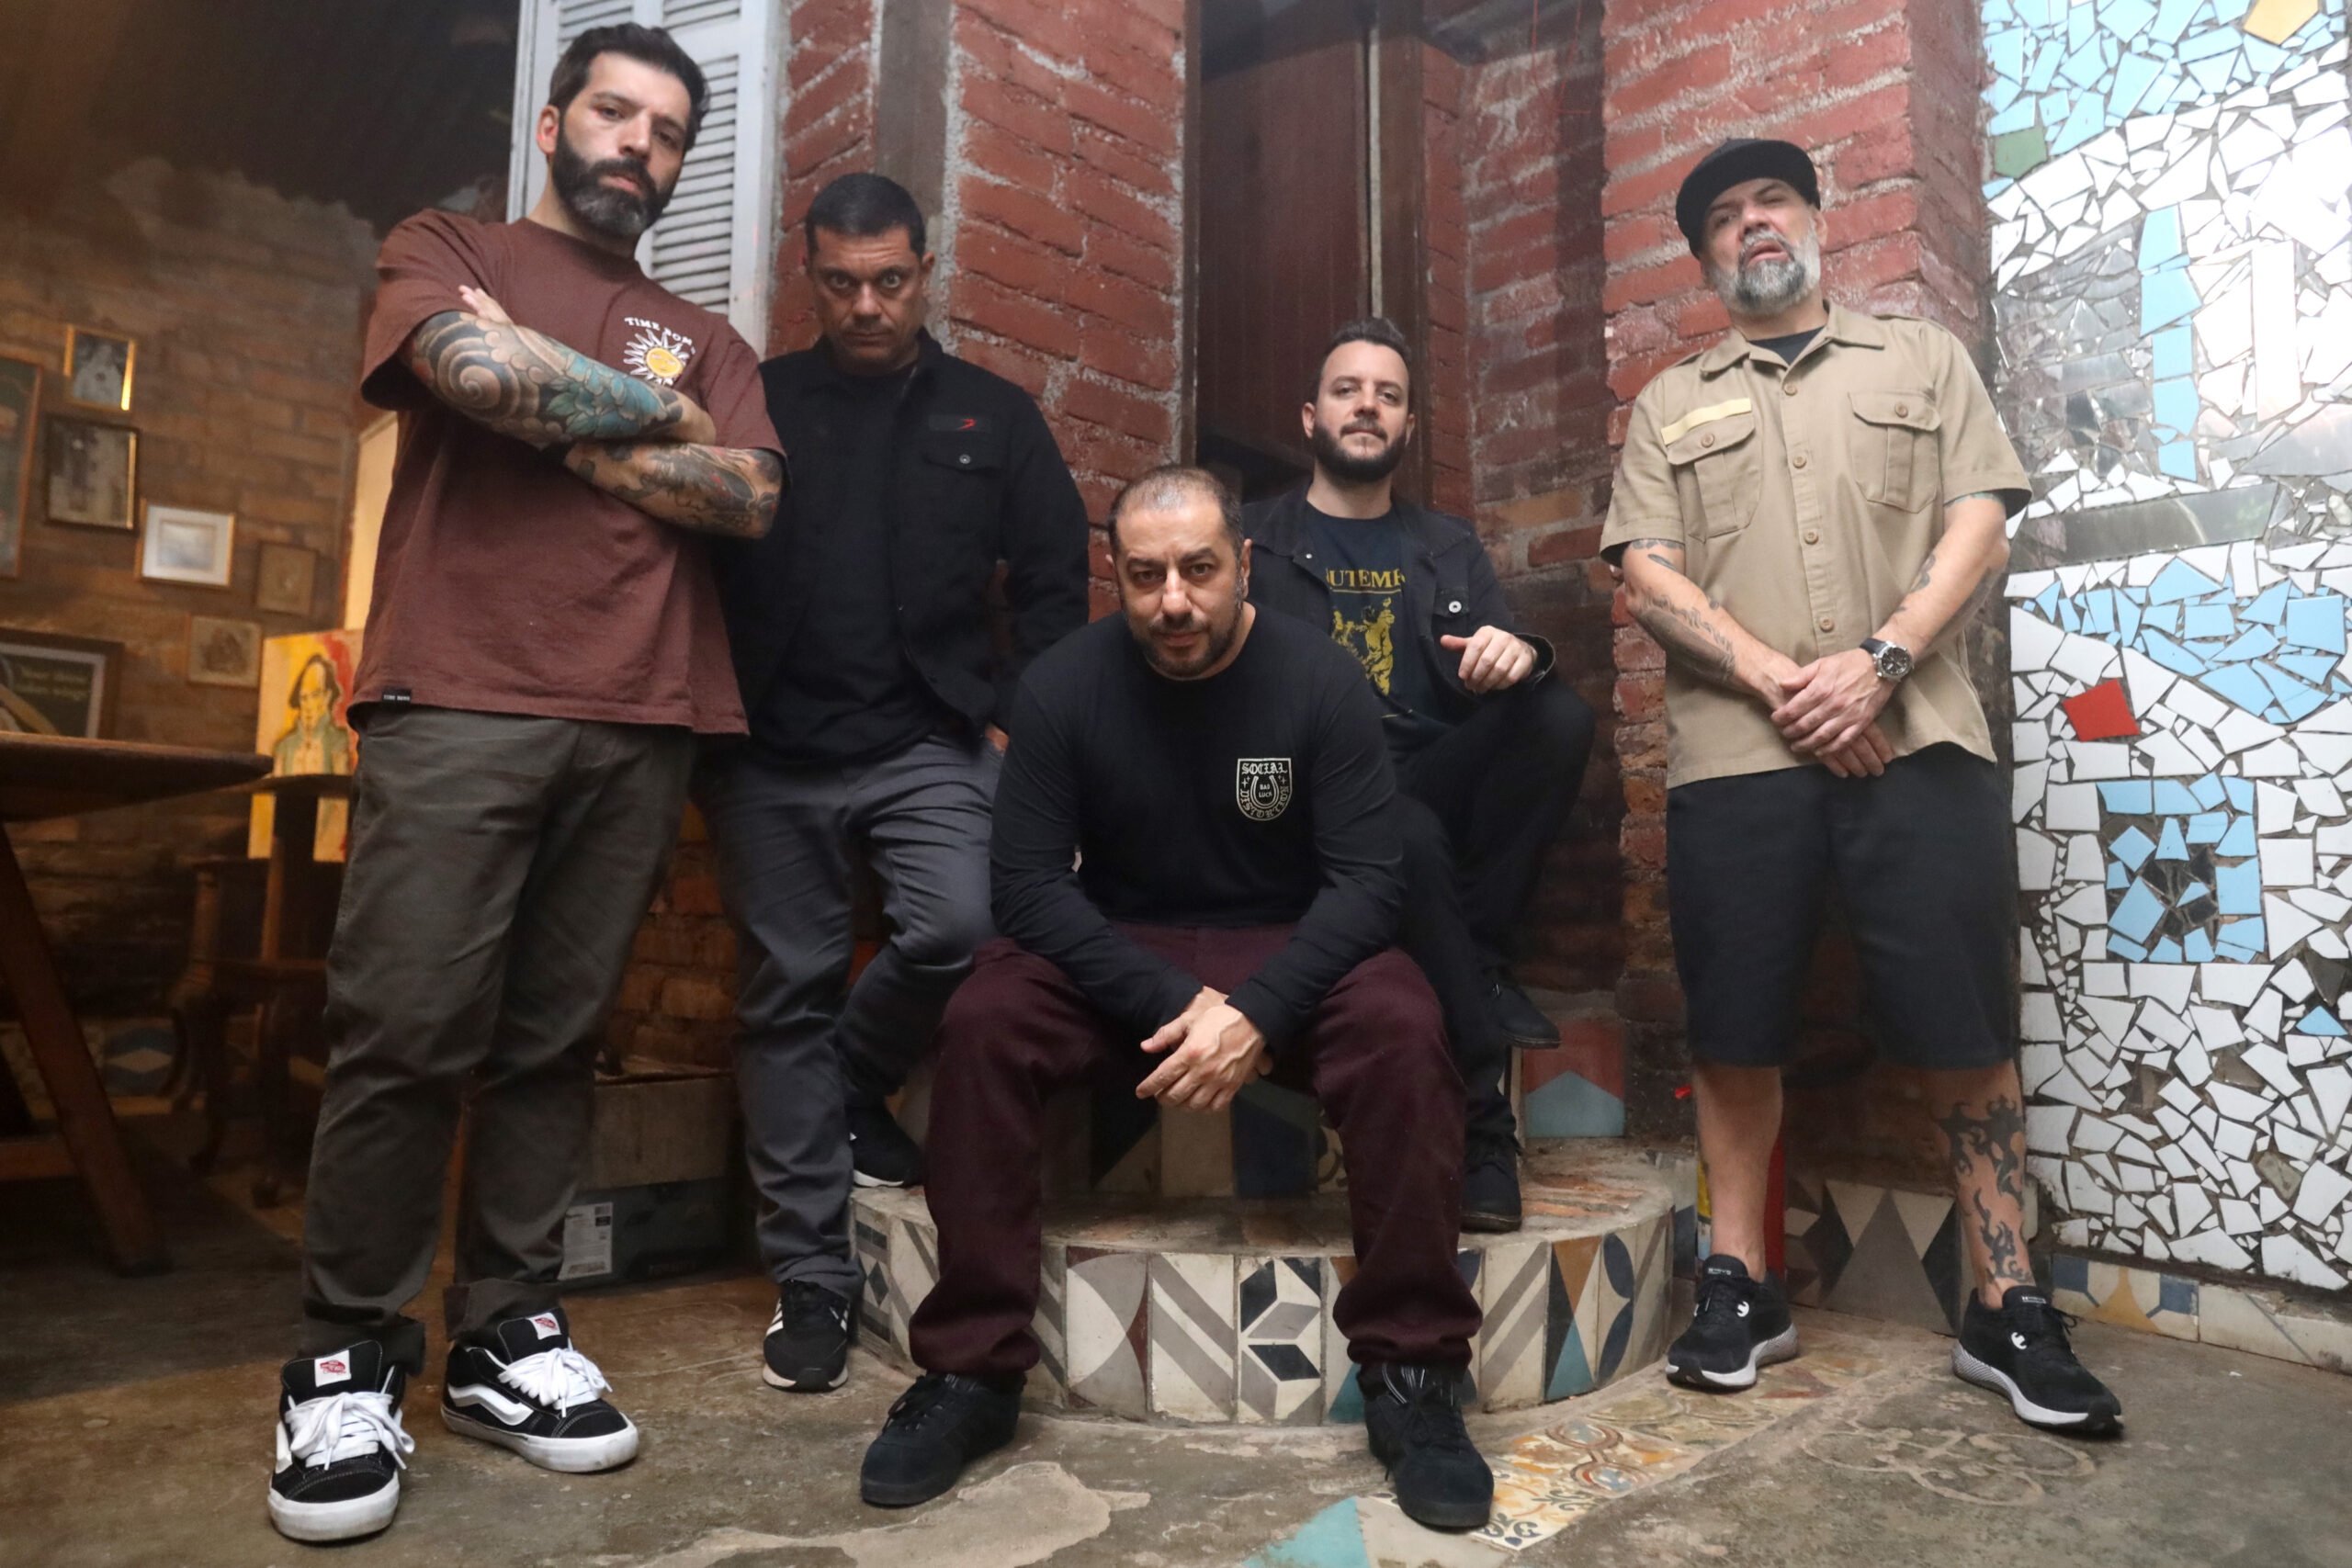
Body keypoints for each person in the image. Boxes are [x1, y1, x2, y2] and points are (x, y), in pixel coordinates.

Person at [266, 24, 786, 1544]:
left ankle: (506, 1330)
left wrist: (568, 406)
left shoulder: (709, 336)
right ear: (554, 124)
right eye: (615, 113)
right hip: (457, 694)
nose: (640, 145)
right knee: (405, 1031)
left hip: (642, 711)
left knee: (555, 1043)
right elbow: (465, 367)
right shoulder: (447, 247)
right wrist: (651, 418)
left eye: (669, 131)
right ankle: (346, 1357)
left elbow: (749, 496)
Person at [855, 466, 1494, 1531]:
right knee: (983, 1017)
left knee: (1400, 1020)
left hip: (1288, 942)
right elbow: (1026, 889)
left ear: (1243, 563)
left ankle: (1414, 1373)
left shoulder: (1320, 677)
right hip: (1125, 952)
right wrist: (1177, 999)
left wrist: (1261, 1009)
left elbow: (1368, 884)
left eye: (1199, 570)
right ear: (1114, 573)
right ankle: (970, 1371)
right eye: (1146, 576)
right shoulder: (1063, 685)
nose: (1174, 601)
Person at [1601, 137, 2120, 1434]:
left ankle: (2005, 1301)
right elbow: (1649, 573)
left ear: (1815, 221)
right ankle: (1742, 1282)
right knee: (1732, 1027)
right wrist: (1794, 686)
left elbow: (1979, 522)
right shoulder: (1669, 404)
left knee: (1964, 1022)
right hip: (1739, 756)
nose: (1752, 223)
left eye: (1772, 199)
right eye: (1724, 215)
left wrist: (1877, 665)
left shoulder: (1921, 361)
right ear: (1705, 258)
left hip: (1919, 739)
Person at [696, 172, 1090, 1395]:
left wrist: (1019, 727)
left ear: (925, 271)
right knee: (788, 995)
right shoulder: (757, 401)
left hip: (930, 737)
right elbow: (694, 556)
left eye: (888, 281)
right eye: (840, 283)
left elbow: (1057, 582)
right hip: (768, 750)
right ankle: (810, 1276)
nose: (865, 306)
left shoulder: (993, 414)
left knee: (961, 925)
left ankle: (855, 1077)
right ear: (810, 278)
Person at [1244, 319, 1596, 1232]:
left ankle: (1475, 955)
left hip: (1425, 772)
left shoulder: (1447, 544)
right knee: (1406, 834)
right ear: (1310, 417)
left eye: (1388, 395)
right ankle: (1483, 1125)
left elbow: (1505, 653)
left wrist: (1516, 654)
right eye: (1347, 390)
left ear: (1408, 427)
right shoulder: (1253, 542)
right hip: (1310, 794)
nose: (1367, 406)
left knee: (1558, 714)